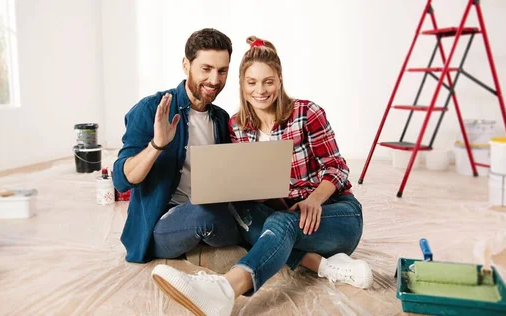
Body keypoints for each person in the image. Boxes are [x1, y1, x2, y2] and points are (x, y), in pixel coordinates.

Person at [151, 36, 373, 316]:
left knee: (277, 224)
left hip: (335, 214)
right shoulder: (237, 126)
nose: (260, 91)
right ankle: (326, 266)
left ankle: (224, 290)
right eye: (252, 83)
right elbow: (246, 181)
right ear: (242, 86)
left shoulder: (306, 113)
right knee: (242, 211)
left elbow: (337, 167)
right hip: (285, 218)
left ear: (279, 80)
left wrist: (314, 200)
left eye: (268, 81)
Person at [112, 28, 242, 264]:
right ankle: (213, 253)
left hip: (211, 210)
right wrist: (157, 145)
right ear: (186, 64)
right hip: (164, 223)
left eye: (222, 71)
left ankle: (204, 251)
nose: (214, 80)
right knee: (203, 216)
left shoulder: (221, 119)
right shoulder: (151, 109)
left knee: (254, 216)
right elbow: (121, 180)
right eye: (206, 69)